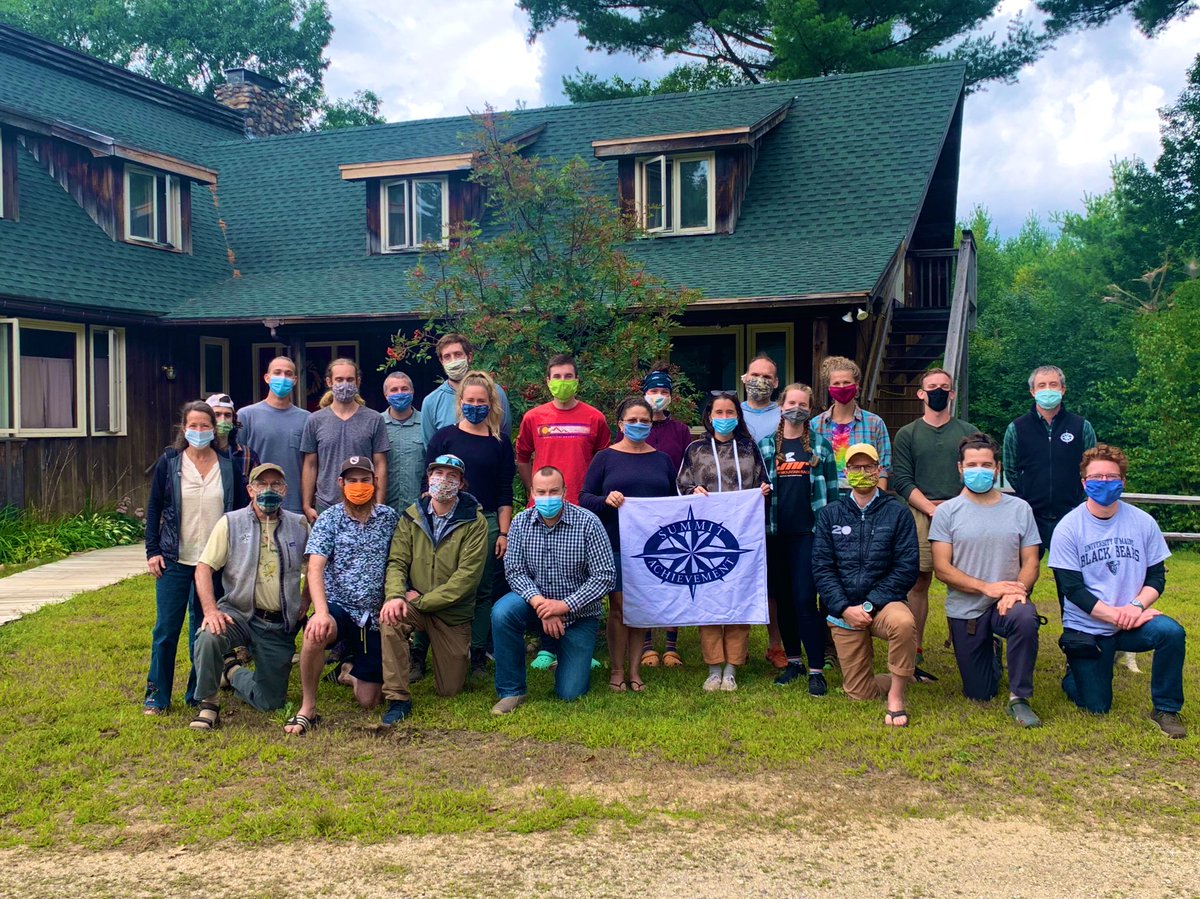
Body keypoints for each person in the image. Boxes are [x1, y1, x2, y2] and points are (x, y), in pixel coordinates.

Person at [1049, 444, 1187, 738]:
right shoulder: (1068, 528)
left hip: (1130, 620)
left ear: (1123, 482)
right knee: (1096, 706)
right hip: (1089, 626)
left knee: (1171, 633)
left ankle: (1165, 708)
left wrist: (1135, 608)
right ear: (1084, 482)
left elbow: (1156, 578)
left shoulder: (1143, 522)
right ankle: (1075, 672)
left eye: (1112, 477)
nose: (1105, 482)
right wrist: (1114, 615)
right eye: (1097, 477)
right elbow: (1072, 589)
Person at [929, 433, 1043, 727]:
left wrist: (1018, 590)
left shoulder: (1020, 509)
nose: (979, 469)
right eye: (972, 464)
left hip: (1007, 602)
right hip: (967, 608)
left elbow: (1031, 560)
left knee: (1025, 616)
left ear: (997, 468)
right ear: (960, 468)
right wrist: (985, 587)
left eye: (986, 464)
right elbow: (942, 568)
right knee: (979, 693)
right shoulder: (946, 513)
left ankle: (1019, 698)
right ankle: (991, 651)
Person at [143, 400, 247, 714]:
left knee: (203, 630)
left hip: (214, 562)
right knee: (166, 630)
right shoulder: (170, 462)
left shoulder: (228, 465)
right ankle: (157, 695)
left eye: (205, 425)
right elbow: (153, 509)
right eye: (193, 425)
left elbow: (239, 513)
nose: (199, 431)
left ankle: (196, 692)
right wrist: (153, 551)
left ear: (214, 429)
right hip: (175, 559)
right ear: (184, 428)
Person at [188, 463, 310, 730]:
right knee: (208, 637)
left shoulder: (299, 524)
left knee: (270, 702)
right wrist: (210, 610)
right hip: (237, 613)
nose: (269, 490)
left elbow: (314, 565)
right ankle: (208, 704)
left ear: (285, 489)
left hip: (276, 622)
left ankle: (231, 672)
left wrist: (305, 599)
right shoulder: (230, 523)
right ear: (250, 489)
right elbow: (204, 567)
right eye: (262, 484)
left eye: (276, 484)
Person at [284, 456, 399, 735]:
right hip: (340, 607)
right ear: (340, 483)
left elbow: (400, 560)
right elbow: (315, 567)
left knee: (368, 701)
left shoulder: (389, 518)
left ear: (375, 482)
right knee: (315, 633)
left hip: (373, 615)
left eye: (364, 480)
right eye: (352, 480)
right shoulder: (329, 519)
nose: (358, 486)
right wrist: (321, 612)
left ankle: (347, 671)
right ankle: (308, 706)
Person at [491, 466, 616, 714]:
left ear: (565, 491)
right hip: (534, 606)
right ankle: (512, 691)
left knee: (570, 693)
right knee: (502, 612)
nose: (548, 497)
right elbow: (514, 571)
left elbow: (605, 576)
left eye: (553, 491)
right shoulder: (520, 522)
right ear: (532, 493)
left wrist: (564, 605)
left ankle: (567, 656)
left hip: (579, 615)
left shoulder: (589, 523)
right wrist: (541, 605)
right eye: (541, 492)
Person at [515, 353, 611, 671]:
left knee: (580, 576)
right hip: (543, 507)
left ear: (577, 379)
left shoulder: (595, 418)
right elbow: (523, 457)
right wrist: (537, 493)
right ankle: (547, 647)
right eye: (557, 376)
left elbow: (603, 460)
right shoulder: (533, 418)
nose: (563, 382)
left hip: (582, 509)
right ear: (548, 381)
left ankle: (581, 641)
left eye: (569, 376)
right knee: (544, 574)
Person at [812, 443, 919, 726]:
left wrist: (871, 604)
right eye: (856, 468)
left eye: (868, 467)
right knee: (860, 693)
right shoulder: (829, 515)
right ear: (846, 472)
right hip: (844, 610)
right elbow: (822, 568)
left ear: (879, 470)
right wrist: (844, 607)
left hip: (884, 605)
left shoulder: (897, 513)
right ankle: (905, 674)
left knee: (904, 623)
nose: (862, 472)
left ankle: (897, 695)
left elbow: (906, 567)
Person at [377, 454, 488, 725]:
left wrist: (422, 601)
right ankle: (398, 698)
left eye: (452, 477)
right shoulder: (411, 516)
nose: (444, 481)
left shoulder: (475, 522)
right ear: (429, 478)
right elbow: (396, 562)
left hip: (451, 613)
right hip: (412, 604)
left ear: (461, 484)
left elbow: (466, 579)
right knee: (390, 618)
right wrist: (394, 596)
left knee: (449, 689)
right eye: (439, 474)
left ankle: (435, 656)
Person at [580, 396, 677, 694]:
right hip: (615, 543)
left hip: (654, 550)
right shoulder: (605, 458)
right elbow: (584, 498)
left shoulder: (662, 460)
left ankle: (635, 671)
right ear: (620, 424)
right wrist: (606, 501)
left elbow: (675, 503)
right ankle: (617, 669)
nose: (638, 425)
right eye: (632, 420)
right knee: (620, 608)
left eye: (644, 421)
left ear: (652, 424)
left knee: (641, 610)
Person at [677, 392, 771, 693]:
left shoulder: (748, 447)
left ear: (737, 416)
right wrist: (694, 493)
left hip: (743, 536)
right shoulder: (695, 449)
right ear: (709, 415)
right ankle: (713, 667)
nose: (725, 416)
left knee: (738, 598)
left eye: (730, 411)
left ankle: (732, 668)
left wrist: (764, 491)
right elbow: (681, 485)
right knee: (709, 599)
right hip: (706, 538)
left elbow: (762, 481)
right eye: (719, 411)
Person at [424, 370, 515, 677]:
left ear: (492, 403)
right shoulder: (444, 437)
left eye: (482, 401)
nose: (476, 405)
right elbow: (429, 483)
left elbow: (505, 490)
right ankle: (420, 649)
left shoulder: (500, 443)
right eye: (470, 400)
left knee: (482, 587)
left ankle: (476, 652)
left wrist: (504, 531)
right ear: (460, 402)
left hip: (487, 520)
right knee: (435, 582)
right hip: (447, 518)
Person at [889, 368, 979, 676]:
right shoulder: (908, 433)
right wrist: (930, 508)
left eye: (944, 387)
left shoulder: (967, 431)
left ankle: (970, 645)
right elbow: (900, 478)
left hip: (963, 511)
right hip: (919, 512)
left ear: (952, 394)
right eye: (932, 387)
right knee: (918, 581)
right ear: (921, 393)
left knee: (967, 581)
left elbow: (978, 472)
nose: (938, 391)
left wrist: (954, 506)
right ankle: (914, 648)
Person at [758, 383, 838, 694]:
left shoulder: (821, 446)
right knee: (786, 601)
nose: (797, 408)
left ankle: (816, 669)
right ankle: (793, 662)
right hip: (776, 534)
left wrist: (830, 534)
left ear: (810, 410)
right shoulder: (766, 447)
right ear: (781, 406)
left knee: (806, 599)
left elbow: (831, 494)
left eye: (803, 404)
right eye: (792, 402)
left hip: (811, 533)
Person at [1003, 364, 1098, 613]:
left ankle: (1078, 638)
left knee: (1072, 583)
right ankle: (1013, 625)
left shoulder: (1081, 427)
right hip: (1031, 516)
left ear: (1063, 390)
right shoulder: (1016, 428)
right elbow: (1011, 469)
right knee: (1021, 579)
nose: (1048, 390)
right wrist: (1028, 493)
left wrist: (1080, 500)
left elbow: (1092, 468)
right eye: (1041, 385)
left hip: (1071, 516)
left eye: (1053, 385)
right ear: (1032, 392)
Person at [640, 365, 692, 668]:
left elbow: (688, 469)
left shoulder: (681, 430)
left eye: (663, 392)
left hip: (674, 511)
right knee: (645, 575)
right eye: (653, 391)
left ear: (670, 397)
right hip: (641, 512)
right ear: (644, 394)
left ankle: (671, 645)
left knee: (676, 575)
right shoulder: (635, 424)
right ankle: (647, 645)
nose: (658, 397)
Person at [300, 358, 389, 523]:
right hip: (325, 505)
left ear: (358, 382)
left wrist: (379, 503)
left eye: (350, 379)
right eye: (339, 380)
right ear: (329, 382)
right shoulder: (315, 420)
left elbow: (380, 464)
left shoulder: (374, 419)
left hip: (364, 503)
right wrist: (306, 505)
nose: (345, 384)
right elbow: (310, 464)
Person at [236, 356, 310, 514]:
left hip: (294, 506)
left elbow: (310, 465)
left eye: (288, 374)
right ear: (267, 378)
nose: (283, 377)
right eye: (277, 372)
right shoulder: (246, 416)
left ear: (295, 380)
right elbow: (237, 461)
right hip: (256, 504)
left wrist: (307, 503)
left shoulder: (307, 419)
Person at [810, 355, 892, 494]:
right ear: (829, 388)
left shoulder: (874, 423)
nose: (842, 387)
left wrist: (877, 503)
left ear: (857, 385)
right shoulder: (816, 425)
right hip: (827, 498)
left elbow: (883, 469)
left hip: (864, 497)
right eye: (836, 383)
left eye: (847, 382)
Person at [421, 333, 512, 443]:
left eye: (458, 354)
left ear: (469, 357)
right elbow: (431, 447)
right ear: (441, 361)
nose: (453, 361)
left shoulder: (496, 392)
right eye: (447, 356)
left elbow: (504, 437)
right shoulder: (431, 402)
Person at [380, 371, 425, 515]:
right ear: (385, 395)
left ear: (412, 391)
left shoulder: (426, 423)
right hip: (384, 509)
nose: (400, 393)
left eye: (404, 389)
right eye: (394, 390)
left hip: (419, 510)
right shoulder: (376, 424)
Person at [206, 393, 260, 483]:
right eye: (217, 415)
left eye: (227, 415)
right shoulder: (197, 453)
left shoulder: (247, 455)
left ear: (233, 420)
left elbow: (257, 489)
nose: (222, 420)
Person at [739, 353, 781, 443]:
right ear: (745, 378)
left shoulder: (785, 414)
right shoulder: (733, 413)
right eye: (755, 375)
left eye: (767, 377)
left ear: (776, 382)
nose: (760, 381)